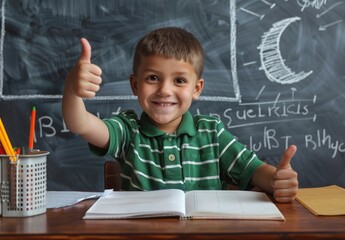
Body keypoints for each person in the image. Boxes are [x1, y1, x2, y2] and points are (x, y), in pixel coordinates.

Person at [62, 27, 298, 203]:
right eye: (153, 78)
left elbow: (253, 170)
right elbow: (80, 124)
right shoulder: (128, 130)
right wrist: (72, 90)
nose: (165, 90)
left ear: (196, 89)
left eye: (179, 80)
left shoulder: (211, 132)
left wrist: (276, 180)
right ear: (135, 85)